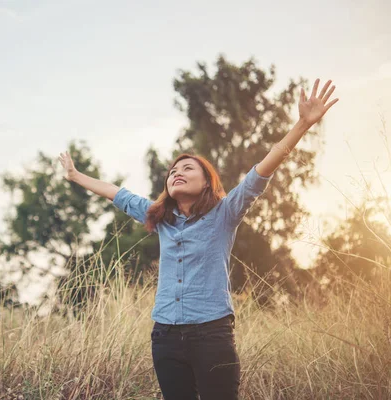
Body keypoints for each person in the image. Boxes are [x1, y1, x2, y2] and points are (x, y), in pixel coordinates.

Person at [58, 79, 338, 399]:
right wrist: (75, 176)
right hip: (164, 337)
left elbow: (262, 171)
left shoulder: (225, 214)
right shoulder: (160, 217)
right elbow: (117, 194)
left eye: (187, 168)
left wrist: (302, 124)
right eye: (173, 171)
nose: (176, 172)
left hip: (211, 335)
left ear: (207, 182)